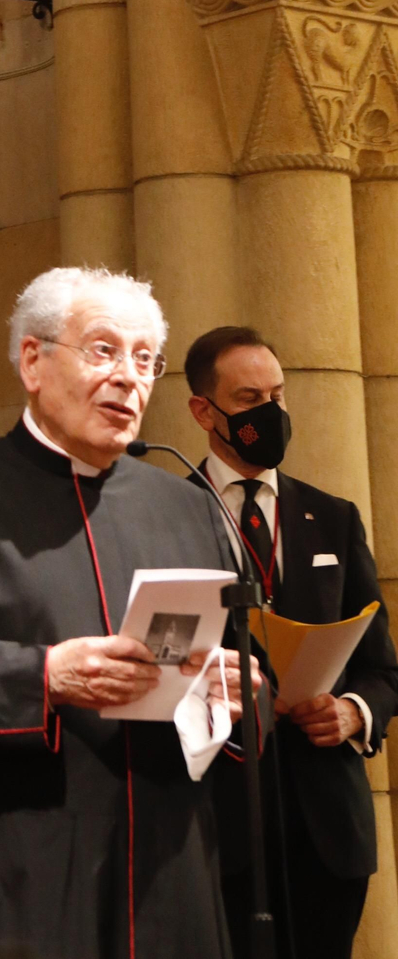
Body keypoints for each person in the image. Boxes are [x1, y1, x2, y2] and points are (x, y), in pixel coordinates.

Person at [0, 266, 255, 958]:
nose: (129, 377)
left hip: (170, 883)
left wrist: (241, 691)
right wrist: (43, 677)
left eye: (145, 359)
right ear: (32, 362)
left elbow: (250, 670)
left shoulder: (189, 508)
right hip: (14, 881)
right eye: (102, 350)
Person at [184, 325, 398, 959]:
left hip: (326, 834)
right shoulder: (166, 515)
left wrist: (352, 711)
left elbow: (383, 670)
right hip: (215, 831)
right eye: (250, 399)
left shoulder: (332, 516)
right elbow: (148, 666)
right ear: (204, 410)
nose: (271, 413)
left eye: (278, 395)